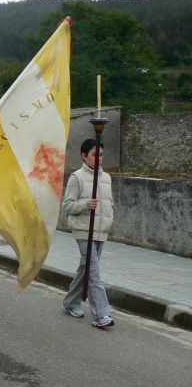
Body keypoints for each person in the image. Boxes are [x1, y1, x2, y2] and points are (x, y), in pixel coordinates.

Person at [62, 139, 115, 329]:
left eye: (101, 155)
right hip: (84, 231)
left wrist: (109, 220)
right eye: (95, 155)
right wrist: (85, 204)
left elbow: (109, 203)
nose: (99, 158)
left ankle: (70, 303)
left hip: (101, 232)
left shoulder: (106, 178)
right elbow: (67, 205)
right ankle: (102, 314)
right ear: (84, 156)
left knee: (85, 269)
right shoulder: (76, 177)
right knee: (93, 273)